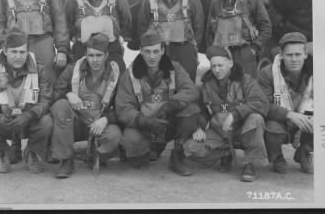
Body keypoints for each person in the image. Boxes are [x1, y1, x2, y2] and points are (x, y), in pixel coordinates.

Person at [0, 0, 69, 164]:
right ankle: (16, 144)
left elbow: (60, 20)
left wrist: (62, 49)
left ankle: (45, 145)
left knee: (46, 91)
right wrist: (1, 46)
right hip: (15, 48)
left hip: (43, 43)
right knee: (13, 94)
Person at [115, 30, 201, 176]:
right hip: (144, 125)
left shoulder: (175, 68)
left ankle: (177, 156)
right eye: (147, 52)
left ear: (162, 50)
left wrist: (171, 105)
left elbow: (191, 90)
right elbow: (123, 108)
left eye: (156, 51)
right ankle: (149, 149)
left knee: (190, 111)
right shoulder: (129, 75)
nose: (152, 56)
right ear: (141, 51)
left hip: (167, 122)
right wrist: (145, 121)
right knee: (133, 148)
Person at [183, 45, 269, 182]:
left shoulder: (246, 80)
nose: (217, 70)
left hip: (243, 129)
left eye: (221, 65)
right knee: (190, 148)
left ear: (230, 63)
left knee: (256, 119)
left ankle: (250, 163)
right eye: (213, 66)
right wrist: (199, 127)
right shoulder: (206, 85)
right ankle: (225, 152)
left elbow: (261, 103)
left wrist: (234, 114)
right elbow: (202, 111)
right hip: (220, 132)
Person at [50, 33, 122, 178]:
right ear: (86, 55)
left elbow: (123, 106)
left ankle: (93, 154)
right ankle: (66, 160)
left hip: (98, 124)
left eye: (99, 55)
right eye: (91, 55)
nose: (94, 60)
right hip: (76, 122)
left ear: (106, 55)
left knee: (114, 136)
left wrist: (107, 119)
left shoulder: (116, 74)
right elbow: (54, 94)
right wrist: (68, 95)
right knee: (61, 106)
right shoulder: (73, 69)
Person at [0, 26, 53, 174]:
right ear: (5, 51)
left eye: (22, 52)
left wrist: (29, 116)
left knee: (47, 122)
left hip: (29, 120)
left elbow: (46, 100)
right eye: (13, 52)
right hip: (5, 120)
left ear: (28, 52)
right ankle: (5, 154)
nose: (18, 56)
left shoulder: (39, 69)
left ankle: (31, 152)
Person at [138, 0, 204, 82]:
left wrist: (192, 50)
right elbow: (142, 26)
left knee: (186, 90)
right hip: (158, 53)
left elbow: (199, 27)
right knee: (159, 90)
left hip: (184, 51)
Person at [258, 32, 314, 174]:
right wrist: (290, 115)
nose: (294, 59)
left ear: (305, 54)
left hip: (307, 115)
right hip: (281, 118)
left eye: (298, 54)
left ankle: (304, 152)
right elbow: (263, 105)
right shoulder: (268, 73)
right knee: (272, 128)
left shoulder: (317, 71)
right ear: (282, 54)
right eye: (289, 55)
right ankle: (277, 157)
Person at [206, 0, 271, 78]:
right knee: (225, 90)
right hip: (223, 53)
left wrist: (254, 49)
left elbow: (266, 26)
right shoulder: (216, 1)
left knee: (248, 88)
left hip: (245, 52)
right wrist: (213, 53)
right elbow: (209, 30)